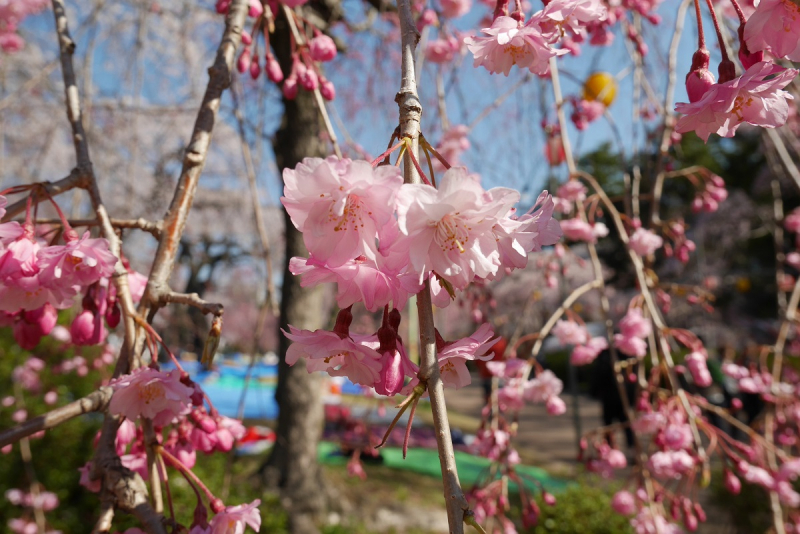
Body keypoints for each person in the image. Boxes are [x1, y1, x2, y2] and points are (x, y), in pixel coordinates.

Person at [591, 349, 635, 449]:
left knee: (625, 426)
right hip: (614, 398)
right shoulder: (611, 355)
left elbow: (597, 375)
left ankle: (628, 448)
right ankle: (611, 448)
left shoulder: (621, 355)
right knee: (615, 426)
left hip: (615, 398)